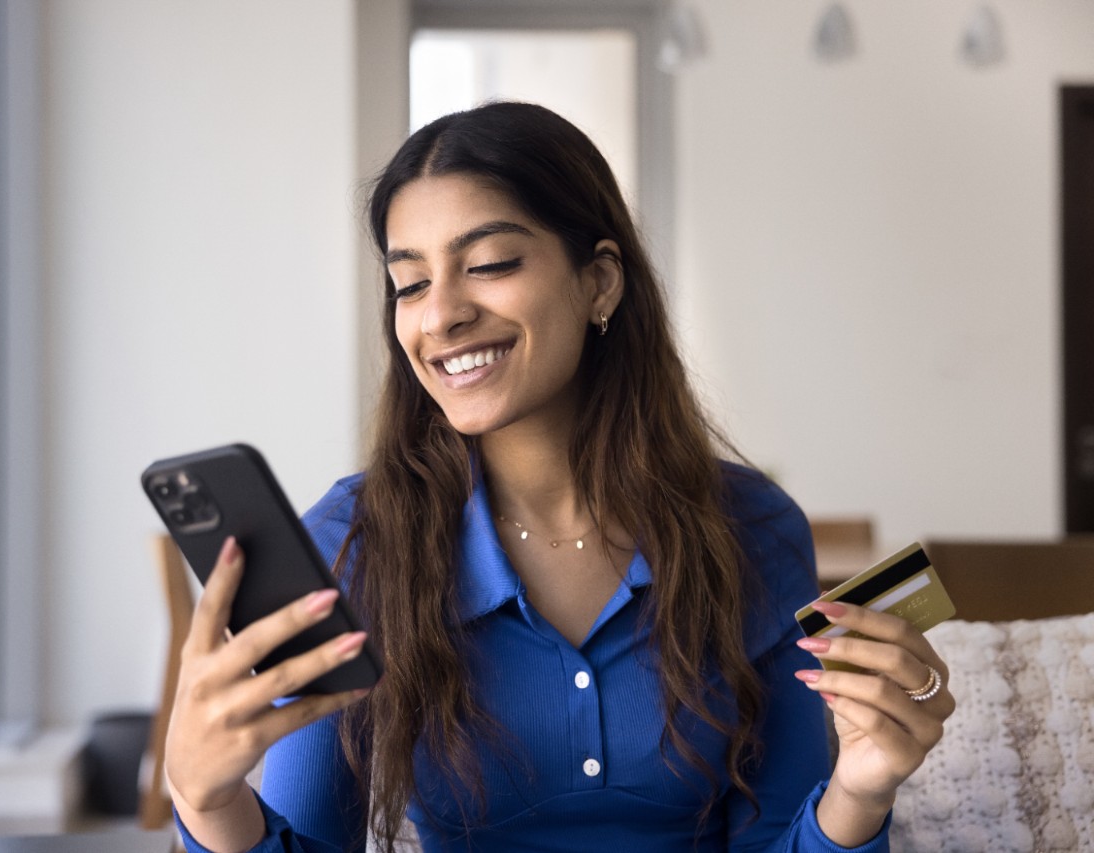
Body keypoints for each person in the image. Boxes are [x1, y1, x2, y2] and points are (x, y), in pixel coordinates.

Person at [164, 102, 954, 853]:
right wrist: (210, 800)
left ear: (600, 281)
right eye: (409, 283)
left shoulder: (751, 528)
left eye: (491, 263)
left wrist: (861, 788)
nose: (439, 315)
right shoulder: (352, 544)